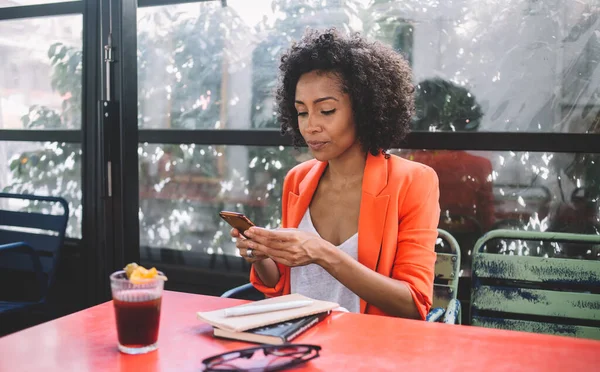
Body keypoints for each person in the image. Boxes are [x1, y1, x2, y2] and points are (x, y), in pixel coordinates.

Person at [231, 28, 440, 320]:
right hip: (295, 341)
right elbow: (283, 288)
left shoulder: (414, 181)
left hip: (364, 352)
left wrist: (322, 253)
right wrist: (261, 254)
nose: (310, 126)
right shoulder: (297, 179)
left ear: (364, 109)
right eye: (302, 112)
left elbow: (413, 305)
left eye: (326, 110)